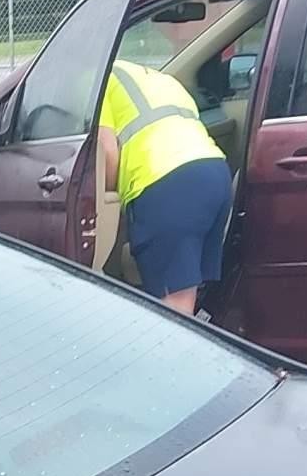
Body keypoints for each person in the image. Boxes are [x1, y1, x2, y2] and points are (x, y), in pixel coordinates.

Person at [96, 57, 234, 316]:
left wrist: (107, 201)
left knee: (173, 309)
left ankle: (177, 355)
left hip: (167, 182)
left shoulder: (97, 80)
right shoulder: (158, 78)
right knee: (190, 296)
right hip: (214, 173)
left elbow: (106, 151)